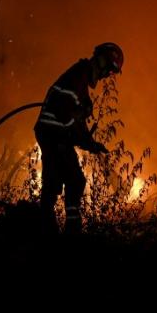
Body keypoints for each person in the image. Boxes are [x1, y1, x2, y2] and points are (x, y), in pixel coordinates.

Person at [33, 42, 124, 234]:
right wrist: (81, 113)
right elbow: (66, 113)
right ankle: (60, 231)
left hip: (56, 134)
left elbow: (75, 123)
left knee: (64, 180)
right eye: (109, 70)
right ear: (101, 61)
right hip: (53, 133)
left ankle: (54, 228)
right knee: (68, 180)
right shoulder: (78, 75)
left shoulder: (80, 80)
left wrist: (91, 144)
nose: (107, 75)